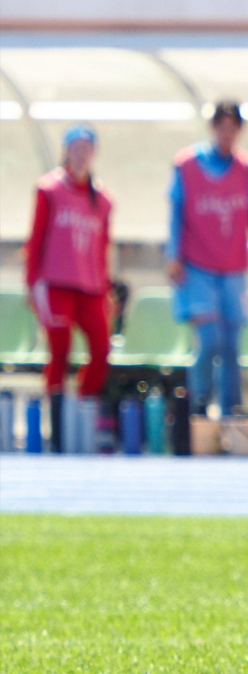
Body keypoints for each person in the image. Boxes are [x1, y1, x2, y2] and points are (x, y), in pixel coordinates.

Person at [167, 101, 248, 417]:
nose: (227, 133)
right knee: (209, 340)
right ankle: (197, 406)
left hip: (233, 269)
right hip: (197, 267)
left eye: (233, 127)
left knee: (231, 346)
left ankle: (230, 412)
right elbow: (175, 213)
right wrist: (173, 255)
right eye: (221, 126)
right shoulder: (186, 164)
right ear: (212, 128)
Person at [26, 125, 113, 443]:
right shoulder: (49, 190)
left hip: (90, 287)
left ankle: (82, 407)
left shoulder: (102, 199)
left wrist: (105, 290)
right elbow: (36, 240)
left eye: (86, 148)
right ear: (66, 151)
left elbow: (103, 247)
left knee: (102, 348)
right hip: (56, 283)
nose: (80, 154)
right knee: (60, 345)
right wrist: (32, 282)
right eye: (75, 147)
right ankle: (58, 414)